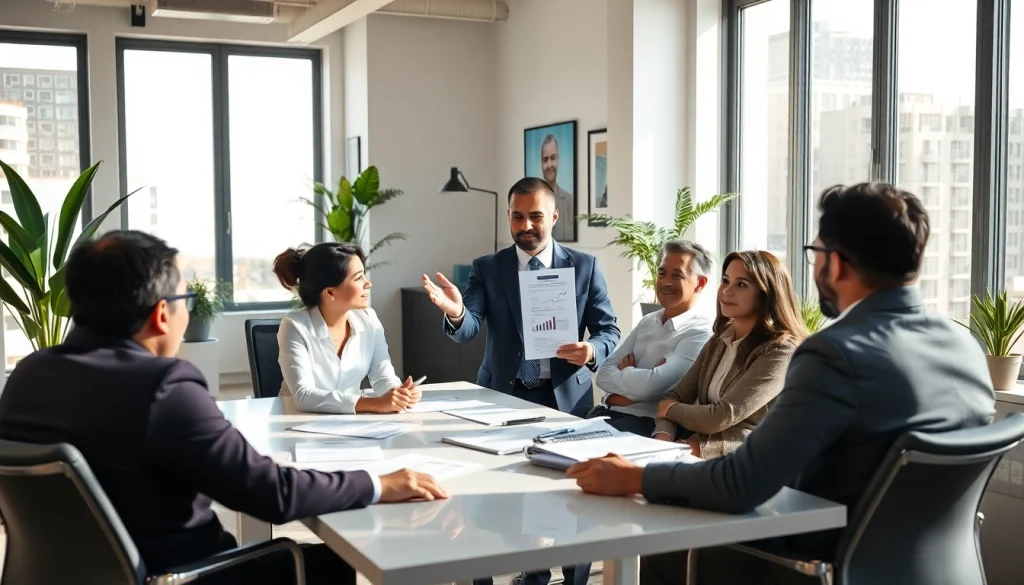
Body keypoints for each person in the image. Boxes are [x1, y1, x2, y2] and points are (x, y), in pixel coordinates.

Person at [565, 182, 996, 585]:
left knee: (660, 539)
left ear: (835, 262)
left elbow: (741, 485)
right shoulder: (965, 346)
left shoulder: (833, 353)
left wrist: (636, 478)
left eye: (815, 252)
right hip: (944, 570)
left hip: (814, 566)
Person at [0, 231, 447, 585]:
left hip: (60, 576)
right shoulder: (164, 387)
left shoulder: (26, 378)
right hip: (187, 576)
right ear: (162, 314)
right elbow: (272, 493)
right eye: (186, 301)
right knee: (334, 560)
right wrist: (378, 483)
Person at [422, 177, 620, 585]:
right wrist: (456, 311)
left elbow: (608, 330)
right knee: (502, 492)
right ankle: (528, 573)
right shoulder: (487, 267)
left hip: (566, 398)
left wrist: (591, 350)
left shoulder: (584, 266)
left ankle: (575, 579)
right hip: (504, 397)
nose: (525, 226)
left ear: (554, 216)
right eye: (517, 216)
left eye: (535, 216)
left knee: (573, 495)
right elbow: (468, 328)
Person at [650, 250, 805, 459]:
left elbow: (720, 417)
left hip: (754, 461)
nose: (726, 291)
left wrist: (672, 414)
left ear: (766, 294)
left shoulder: (781, 350)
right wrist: (663, 438)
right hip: (691, 450)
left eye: (741, 284)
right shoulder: (719, 340)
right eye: (725, 280)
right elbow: (675, 396)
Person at [273, 242, 420, 414]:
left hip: (349, 422)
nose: (368, 284)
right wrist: (374, 404)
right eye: (358, 278)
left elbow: (383, 378)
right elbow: (304, 396)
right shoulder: (294, 326)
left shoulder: (368, 319)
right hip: (297, 421)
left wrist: (399, 394)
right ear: (330, 292)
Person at [592, 240, 714, 436]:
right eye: (662, 273)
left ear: (700, 284)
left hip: (646, 425)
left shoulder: (700, 333)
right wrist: (637, 387)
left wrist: (627, 373)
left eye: (677, 275)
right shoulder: (648, 321)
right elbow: (603, 374)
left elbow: (650, 388)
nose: (666, 282)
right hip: (606, 415)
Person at [541, 134, 575, 242]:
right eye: (545, 159)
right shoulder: (532, 202)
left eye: (553, 158)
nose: (549, 164)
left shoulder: (569, 201)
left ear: (558, 160)